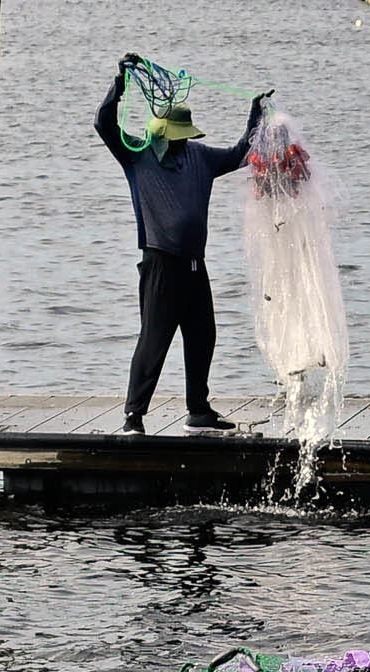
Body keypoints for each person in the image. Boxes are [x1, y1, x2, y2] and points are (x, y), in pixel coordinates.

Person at [95, 55, 267, 435]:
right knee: (153, 341)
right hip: (160, 264)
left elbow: (241, 154)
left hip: (194, 266)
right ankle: (133, 417)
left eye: (182, 137)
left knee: (203, 334)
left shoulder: (199, 157)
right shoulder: (137, 155)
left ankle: (198, 411)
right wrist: (119, 85)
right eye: (173, 137)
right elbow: (103, 124)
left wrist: (256, 115)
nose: (178, 143)